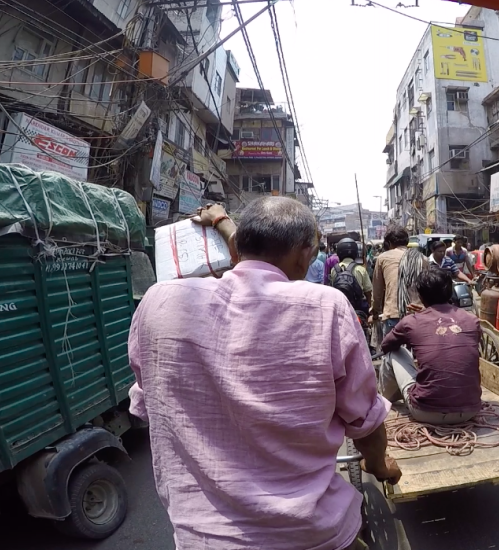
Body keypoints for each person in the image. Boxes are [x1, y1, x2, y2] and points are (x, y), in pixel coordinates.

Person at [128, 198, 400, 550]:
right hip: (311, 533)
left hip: (201, 538)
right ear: (306, 255)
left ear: (238, 246)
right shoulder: (327, 306)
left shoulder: (158, 303)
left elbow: (147, 402)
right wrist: (379, 466)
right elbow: (364, 422)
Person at [379, 266, 482, 424]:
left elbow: (386, 346)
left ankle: (385, 400)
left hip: (426, 412)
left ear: (420, 295)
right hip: (470, 410)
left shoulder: (411, 322)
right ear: (450, 292)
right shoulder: (471, 320)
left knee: (395, 352)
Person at [372, 226, 410, 337]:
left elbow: (377, 291)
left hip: (393, 313)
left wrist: (375, 311)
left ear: (389, 243)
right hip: (417, 314)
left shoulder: (383, 258)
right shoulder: (421, 258)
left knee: (391, 352)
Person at [330, 237, 373, 315]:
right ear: (355, 252)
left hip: (341, 309)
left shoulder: (334, 269)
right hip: (358, 310)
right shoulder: (360, 269)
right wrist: (370, 307)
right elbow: (368, 291)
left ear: (339, 252)